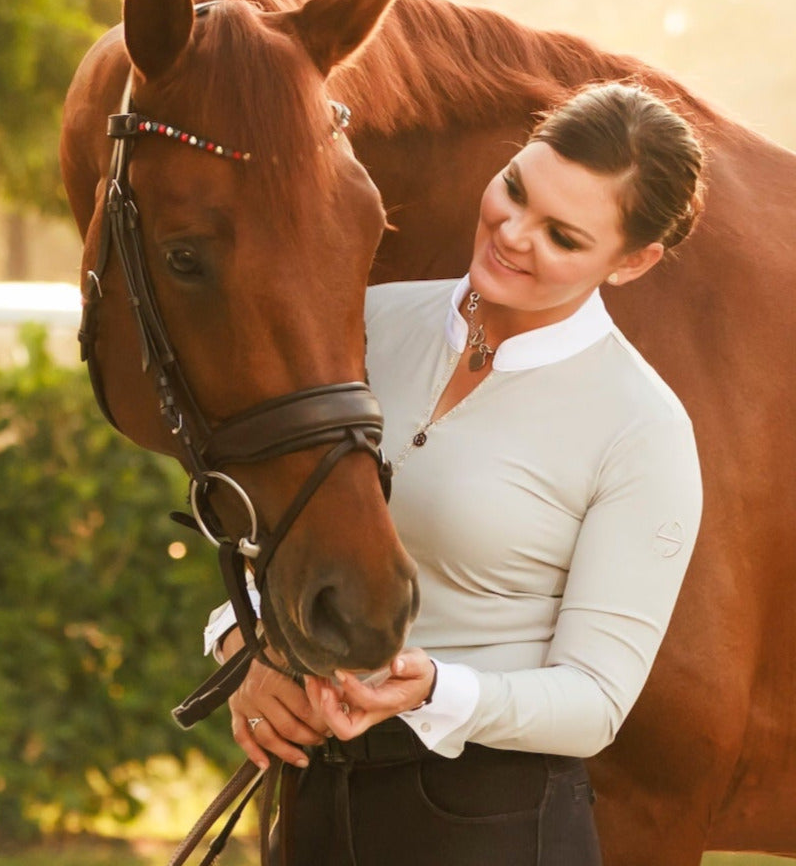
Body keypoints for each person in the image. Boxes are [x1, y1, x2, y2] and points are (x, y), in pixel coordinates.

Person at [203, 81, 705, 865]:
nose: (511, 232)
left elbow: (595, 702)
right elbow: (278, 530)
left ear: (633, 262)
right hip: (311, 805)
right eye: (515, 188)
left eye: (563, 237)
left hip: (493, 825)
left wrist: (436, 687)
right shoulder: (362, 321)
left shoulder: (643, 429)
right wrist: (246, 641)